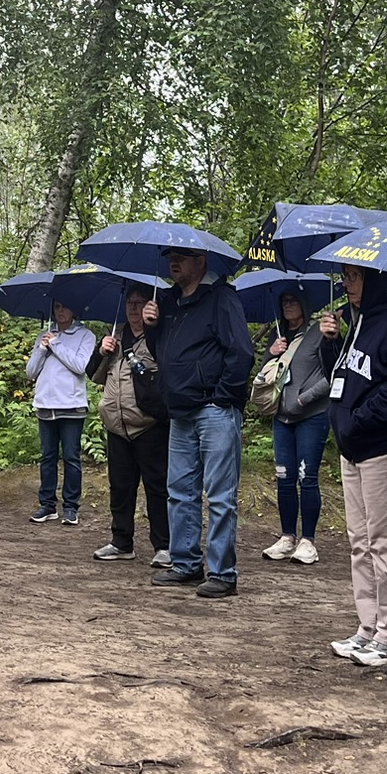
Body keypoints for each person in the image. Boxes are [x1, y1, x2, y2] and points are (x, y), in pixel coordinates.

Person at [320, 263, 387, 665]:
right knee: (360, 542)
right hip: (354, 449)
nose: (347, 284)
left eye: (355, 276)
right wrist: (331, 345)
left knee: (384, 542)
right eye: (345, 276)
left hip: (385, 446)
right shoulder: (357, 322)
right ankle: (369, 628)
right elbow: (345, 379)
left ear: (377, 278)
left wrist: (360, 419)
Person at [146, 248, 254, 598]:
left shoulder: (222, 298)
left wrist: (222, 396)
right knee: (180, 492)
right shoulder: (168, 302)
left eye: (181, 257)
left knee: (220, 496)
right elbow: (163, 353)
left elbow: (242, 352)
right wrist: (152, 327)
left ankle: (223, 573)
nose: (173, 263)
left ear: (201, 261)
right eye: (170, 258)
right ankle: (186, 564)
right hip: (180, 412)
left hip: (214, 410)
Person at [88, 287, 172, 563]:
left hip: (149, 424)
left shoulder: (159, 335)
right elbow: (94, 376)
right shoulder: (115, 335)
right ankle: (121, 542)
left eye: (140, 303)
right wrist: (101, 352)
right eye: (130, 303)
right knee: (120, 487)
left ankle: (164, 545)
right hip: (117, 425)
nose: (134, 308)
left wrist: (154, 328)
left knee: (157, 487)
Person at [261, 288, 333, 564]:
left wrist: (305, 399)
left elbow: (332, 373)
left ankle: (308, 541)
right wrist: (271, 353)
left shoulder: (318, 333)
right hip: (282, 417)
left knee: (307, 477)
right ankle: (287, 536)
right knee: (284, 477)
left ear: (304, 303)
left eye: (292, 300)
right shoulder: (277, 335)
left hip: (312, 416)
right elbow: (266, 374)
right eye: (284, 301)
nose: (288, 305)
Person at [28, 302, 97, 525]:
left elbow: (80, 366)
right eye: (57, 307)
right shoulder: (45, 335)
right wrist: (42, 349)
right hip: (45, 404)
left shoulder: (85, 335)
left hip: (71, 405)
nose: (60, 311)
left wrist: (56, 344)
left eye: (65, 307)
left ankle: (71, 506)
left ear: (74, 310)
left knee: (71, 457)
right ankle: (47, 504)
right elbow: (31, 372)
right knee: (47, 457)